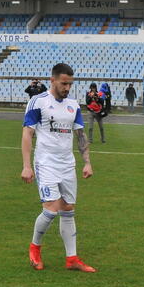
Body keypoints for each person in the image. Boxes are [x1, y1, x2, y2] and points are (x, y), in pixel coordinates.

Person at [21, 63, 96, 273]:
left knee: (68, 209)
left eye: (70, 84)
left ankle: (72, 259)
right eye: (64, 83)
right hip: (45, 162)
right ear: (52, 80)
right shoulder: (38, 102)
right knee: (51, 209)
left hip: (67, 164)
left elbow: (80, 135)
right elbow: (27, 134)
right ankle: (34, 248)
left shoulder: (73, 105)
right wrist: (26, 166)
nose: (67, 88)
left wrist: (87, 162)